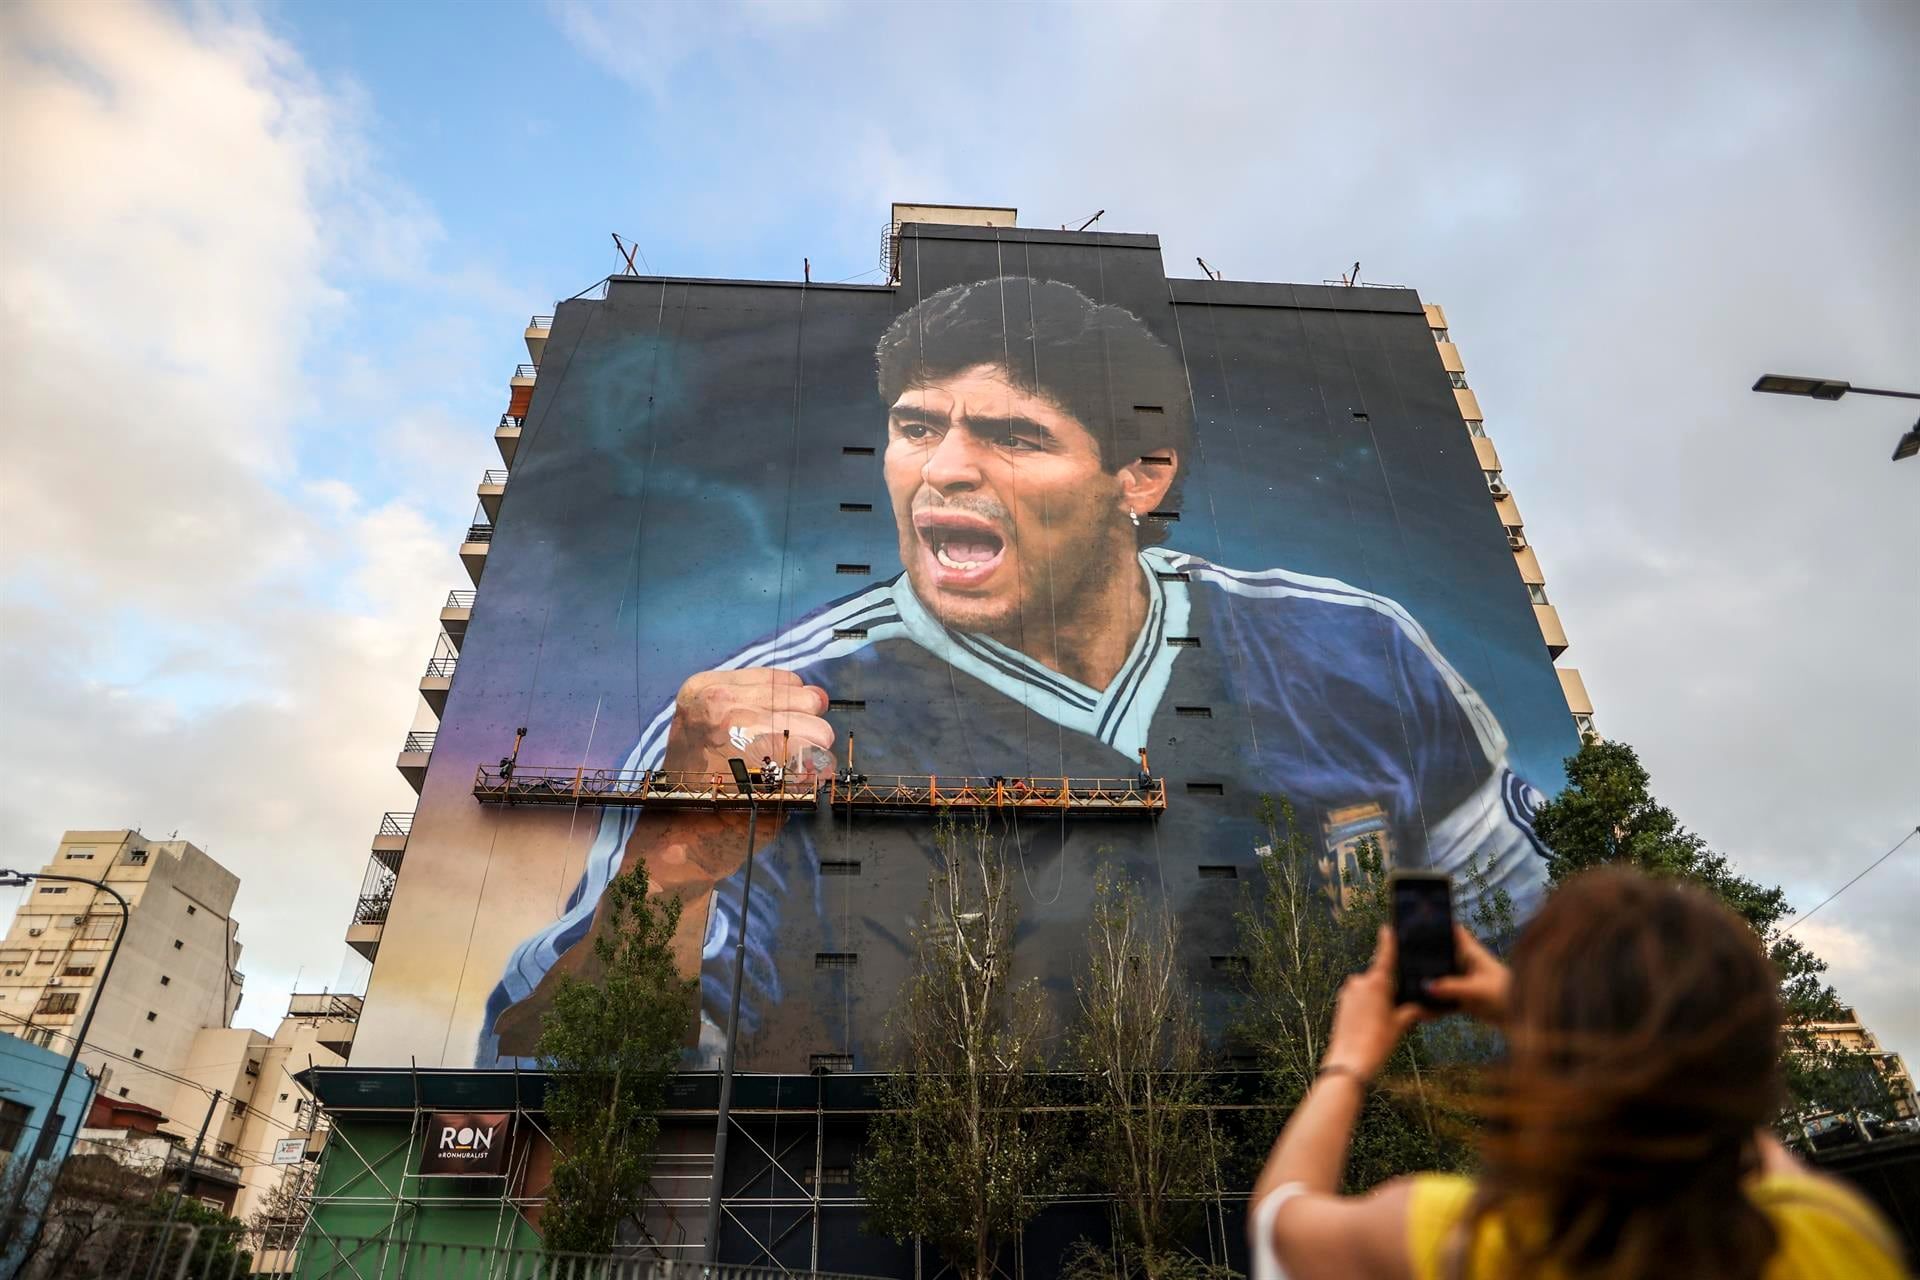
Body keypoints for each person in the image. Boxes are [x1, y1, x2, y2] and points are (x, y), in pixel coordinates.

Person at [480, 276, 1556, 1064]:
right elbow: (558, 1088)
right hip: (917, 1202)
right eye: (916, 427)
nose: (946, 468)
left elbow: (1511, 937)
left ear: (1139, 475)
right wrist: (669, 868)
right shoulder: (762, 717)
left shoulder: (1355, 647)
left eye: (1011, 434)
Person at [1248, 867, 1907, 1280]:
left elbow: (1279, 1219)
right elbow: (1704, 1104)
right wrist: (1558, 1021)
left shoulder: (1471, 1243)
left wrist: (1348, 1061)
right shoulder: (1835, 1236)